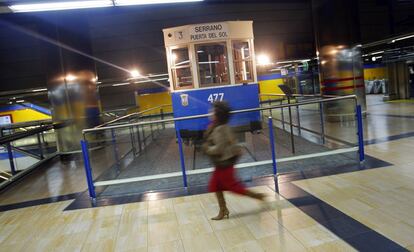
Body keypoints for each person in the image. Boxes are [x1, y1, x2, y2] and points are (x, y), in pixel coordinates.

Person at [203, 101, 265, 220]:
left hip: (225, 164)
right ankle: (223, 210)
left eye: (212, 111)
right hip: (221, 163)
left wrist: (207, 148)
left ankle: (259, 196)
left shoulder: (220, 129)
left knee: (235, 188)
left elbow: (219, 148)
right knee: (215, 185)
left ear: (218, 115)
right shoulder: (216, 125)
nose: (210, 112)